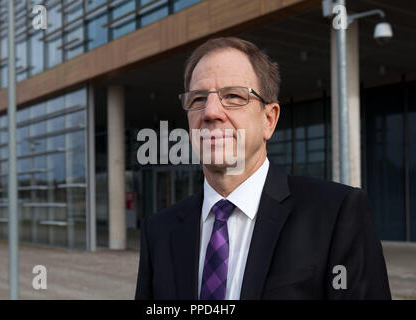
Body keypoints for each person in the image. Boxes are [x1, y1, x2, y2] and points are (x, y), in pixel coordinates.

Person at [135, 37, 391, 300]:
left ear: (269, 119)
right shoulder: (158, 231)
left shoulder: (335, 214)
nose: (211, 112)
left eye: (233, 96)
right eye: (198, 99)